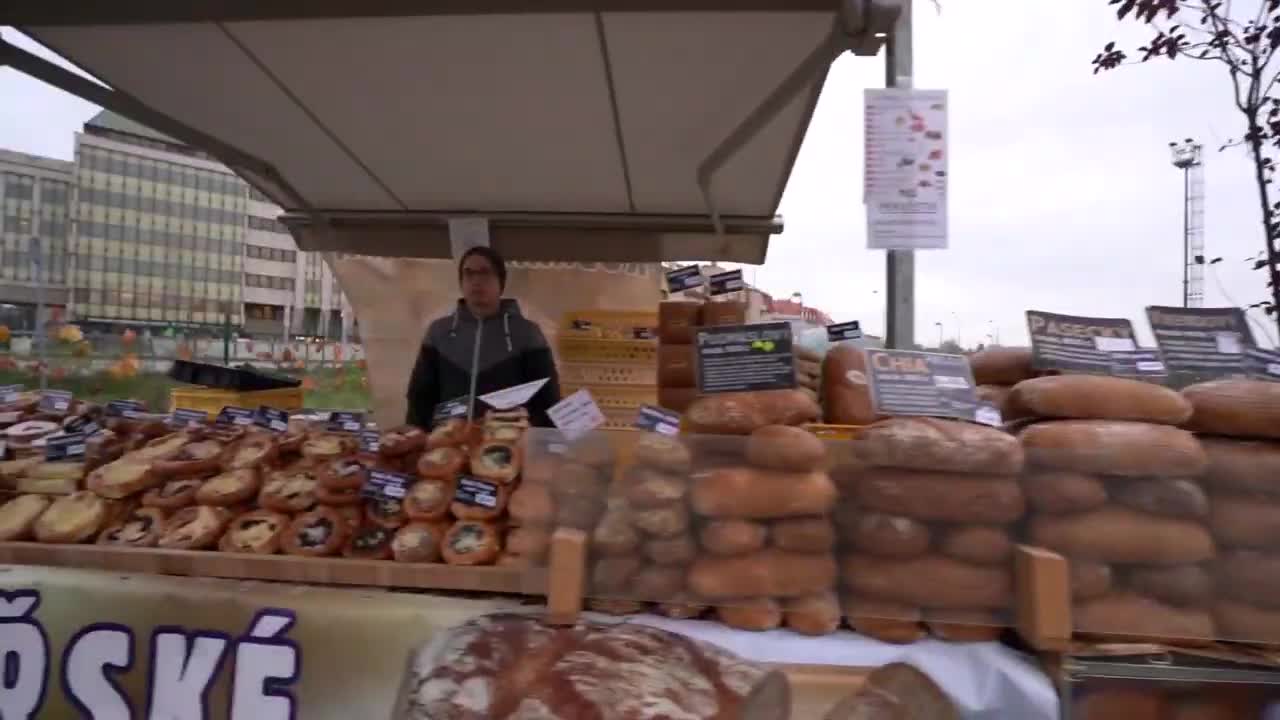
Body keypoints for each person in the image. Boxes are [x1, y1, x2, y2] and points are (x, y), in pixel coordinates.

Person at [406, 246, 561, 428]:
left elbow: (547, 397)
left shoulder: (527, 333)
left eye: (485, 272)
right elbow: (420, 396)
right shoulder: (438, 332)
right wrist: (415, 439)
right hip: (450, 443)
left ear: (500, 282)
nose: (476, 281)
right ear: (461, 282)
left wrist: (547, 445)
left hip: (505, 444)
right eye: (469, 273)